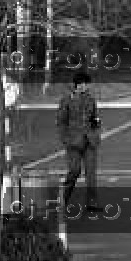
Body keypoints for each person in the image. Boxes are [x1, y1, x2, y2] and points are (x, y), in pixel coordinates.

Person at [56, 72, 102, 211]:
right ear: (79, 84)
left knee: (91, 174)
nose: (88, 86)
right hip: (73, 143)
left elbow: (94, 117)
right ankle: (63, 200)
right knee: (74, 171)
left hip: (90, 141)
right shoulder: (66, 100)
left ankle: (92, 203)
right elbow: (61, 122)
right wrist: (65, 140)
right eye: (86, 84)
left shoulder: (90, 99)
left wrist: (96, 125)